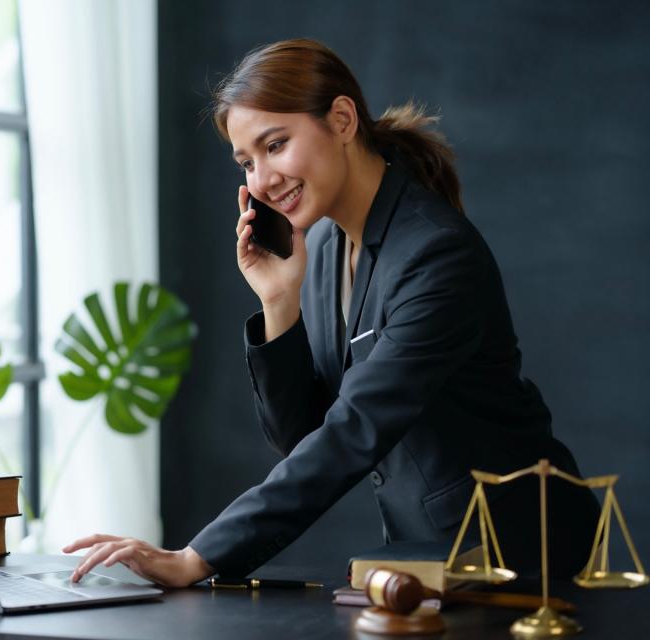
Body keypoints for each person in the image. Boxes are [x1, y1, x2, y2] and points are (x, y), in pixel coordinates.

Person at [64, 39, 600, 587]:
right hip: (429, 554)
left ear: (342, 119)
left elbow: (355, 428)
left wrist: (197, 556)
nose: (262, 179)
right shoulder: (321, 246)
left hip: (518, 553)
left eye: (276, 145)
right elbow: (302, 434)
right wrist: (279, 301)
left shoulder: (436, 254)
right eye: (247, 161)